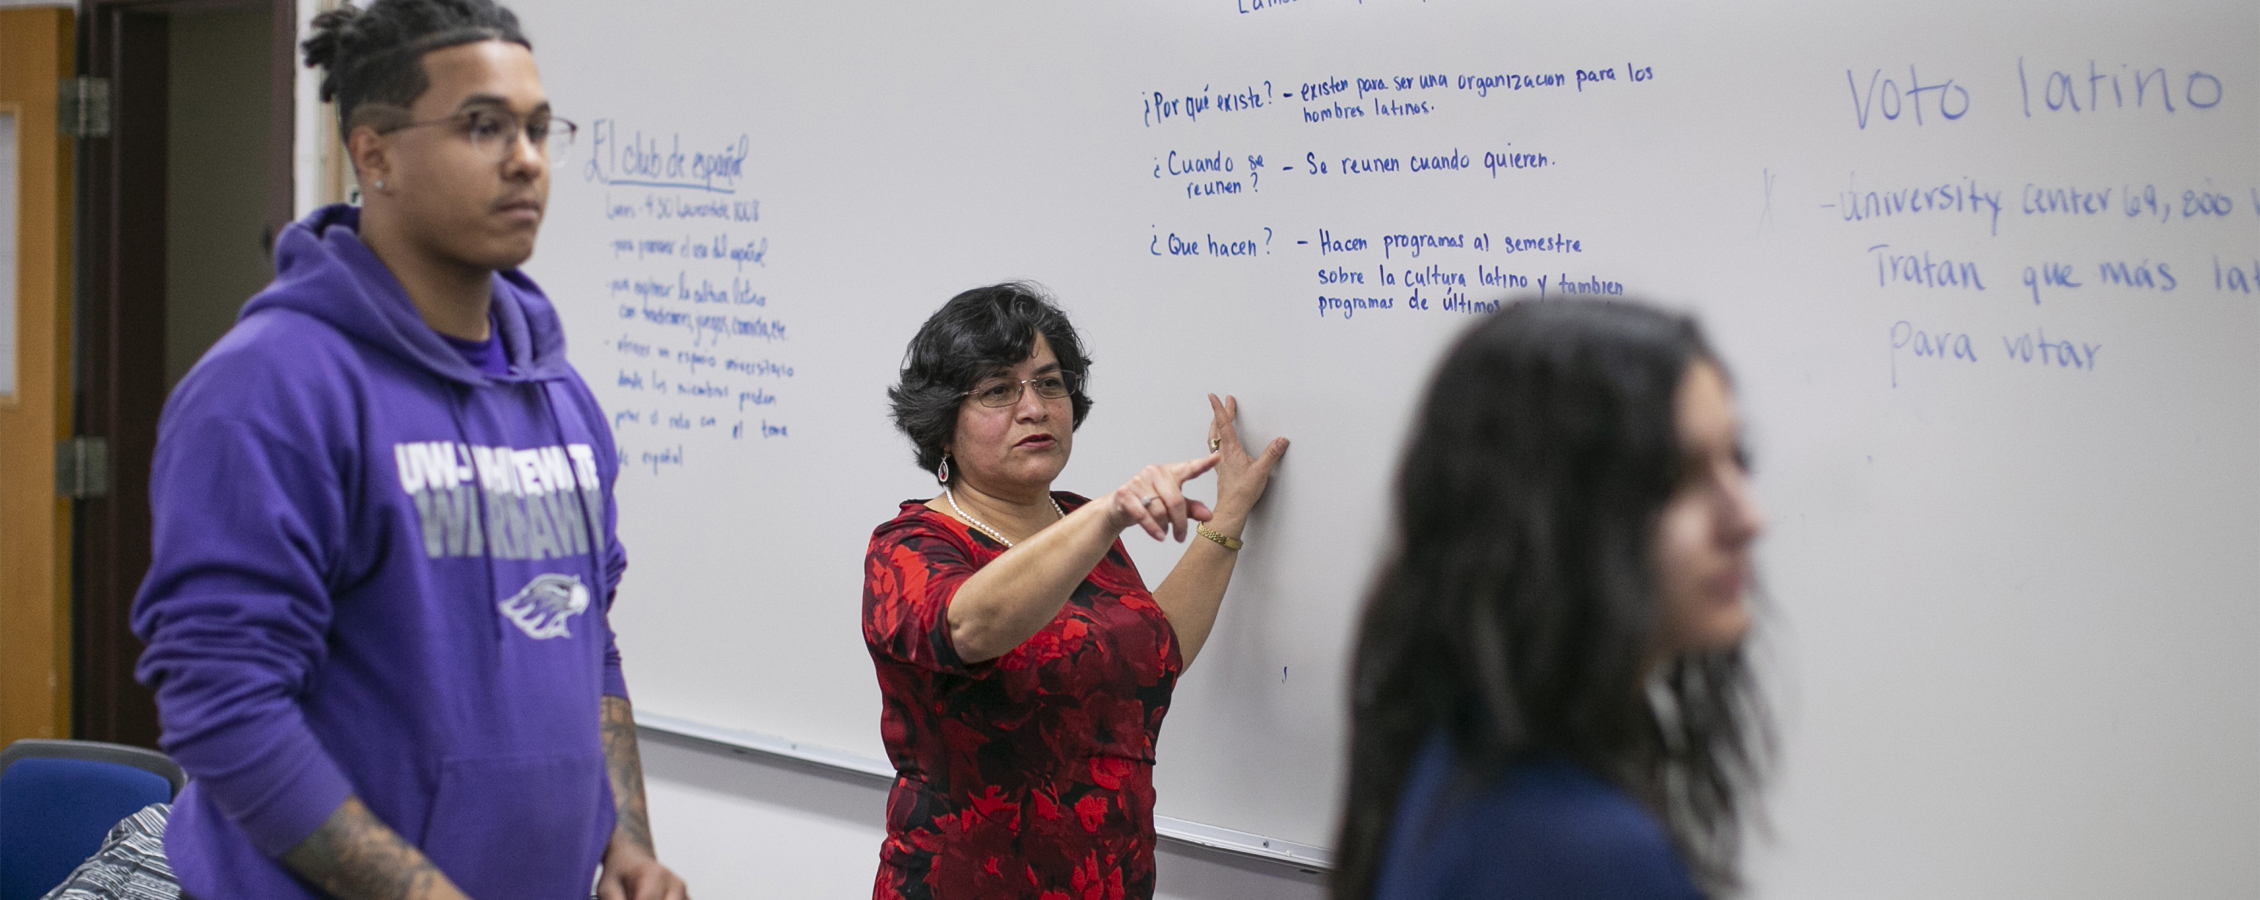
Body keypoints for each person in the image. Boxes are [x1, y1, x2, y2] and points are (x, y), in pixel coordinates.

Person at [129, 2, 687, 898]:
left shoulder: (559, 398)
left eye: (539, 129)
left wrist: (626, 844)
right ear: (374, 151)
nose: (526, 159)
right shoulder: (268, 389)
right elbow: (222, 700)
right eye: (483, 126)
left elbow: (589, 639)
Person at [1331, 299, 1771, 900]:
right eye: (1677, 478)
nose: (1748, 516)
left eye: (1737, 460)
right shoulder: (1584, 853)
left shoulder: (1456, 753)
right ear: (1554, 519)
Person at [863, 282, 1290, 899]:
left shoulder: (1077, 520)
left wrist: (1228, 515)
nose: (1034, 408)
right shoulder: (908, 545)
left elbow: (1153, 651)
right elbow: (969, 626)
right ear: (943, 428)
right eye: (998, 391)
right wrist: (1110, 514)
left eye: (1049, 383)